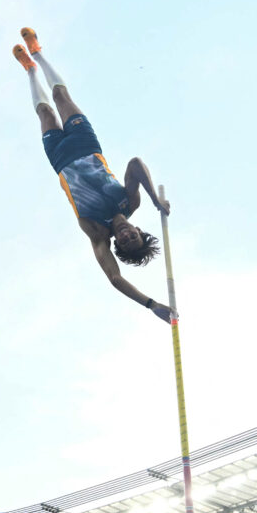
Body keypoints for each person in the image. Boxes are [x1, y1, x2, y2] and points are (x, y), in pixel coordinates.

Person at [13, 27, 173, 323]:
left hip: (61, 161)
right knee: (61, 95)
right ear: (138, 231)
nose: (126, 236)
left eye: (124, 242)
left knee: (45, 113)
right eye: (133, 237)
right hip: (86, 144)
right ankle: (37, 52)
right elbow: (136, 163)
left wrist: (151, 305)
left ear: (118, 244)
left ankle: (29, 70)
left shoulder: (98, 234)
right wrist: (154, 199)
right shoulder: (130, 202)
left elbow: (114, 278)